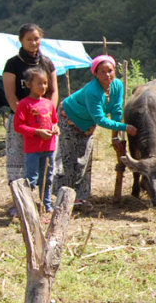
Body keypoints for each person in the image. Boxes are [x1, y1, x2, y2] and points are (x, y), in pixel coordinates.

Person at [54, 54, 137, 204]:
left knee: (85, 159)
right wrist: (125, 127)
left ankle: (81, 196)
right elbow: (100, 119)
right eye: (103, 72)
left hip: (87, 123)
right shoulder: (93, 91)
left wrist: (115, 137)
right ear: (96, 74)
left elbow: (117, 111)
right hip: (69, 118)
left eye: (110, 70)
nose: (107, 75)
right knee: (70, 158)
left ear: (115, 71)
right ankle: (65, 196)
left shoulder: (117, 85)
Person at [2, 24, 58, 184]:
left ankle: (43, 199)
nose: (33, 43)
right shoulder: (13, 64)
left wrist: (50, 118)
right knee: (18, 161)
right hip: (21, 120)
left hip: (46, 121)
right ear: (21, 40)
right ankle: (19, 200)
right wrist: (25, 119)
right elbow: (10, 94)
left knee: (45, 162)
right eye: (29, 39)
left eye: (36, 39)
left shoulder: (47, 63)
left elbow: (53, 91)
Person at [12, 67, 59, 213]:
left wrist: (56, 129)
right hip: (33, 149)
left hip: (49, 148)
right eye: (39, 83)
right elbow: (18, 126)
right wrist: (37, 132)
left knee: (48, 178)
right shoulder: (24, 104)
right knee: (31, 179)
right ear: (28, 85)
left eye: (45, 83)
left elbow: (54, 121)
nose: (43, 87)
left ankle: (46, 204)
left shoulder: (49, 103)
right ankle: (27, 206)